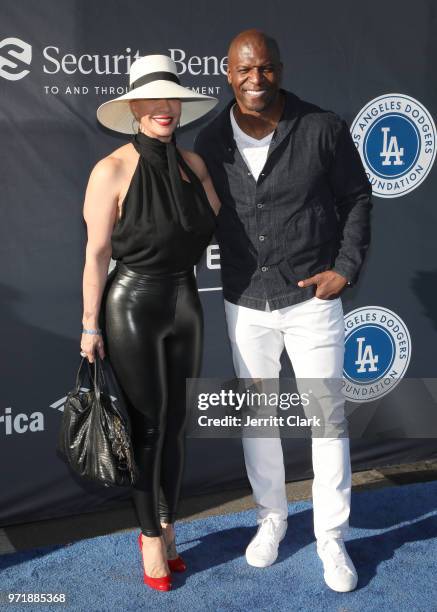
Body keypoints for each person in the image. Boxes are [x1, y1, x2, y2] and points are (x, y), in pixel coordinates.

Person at [195, 30, 372, 592]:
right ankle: (272, 519)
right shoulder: (210, 139)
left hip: (310, 301)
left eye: (265, 69)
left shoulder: (321, 127)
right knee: (258, 420)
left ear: (280, 70)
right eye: (244, 70)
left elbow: (357, 198)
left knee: (327, 420)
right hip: (245, 303)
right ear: (228, 74)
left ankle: (332, 539)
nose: (255, 80)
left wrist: (344, 268)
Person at [79, 54, 220, 592]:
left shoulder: (194, 166)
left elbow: (215, 223)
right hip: (132, 302)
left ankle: (167, 524)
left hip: (186, 299)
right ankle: (150, 540)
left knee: (178, 425)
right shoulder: (110, 170)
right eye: (153, 100)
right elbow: (95, 254)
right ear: (133, 106)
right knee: (148, 428)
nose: (165, 109)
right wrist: (91, 325)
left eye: (172, 100)